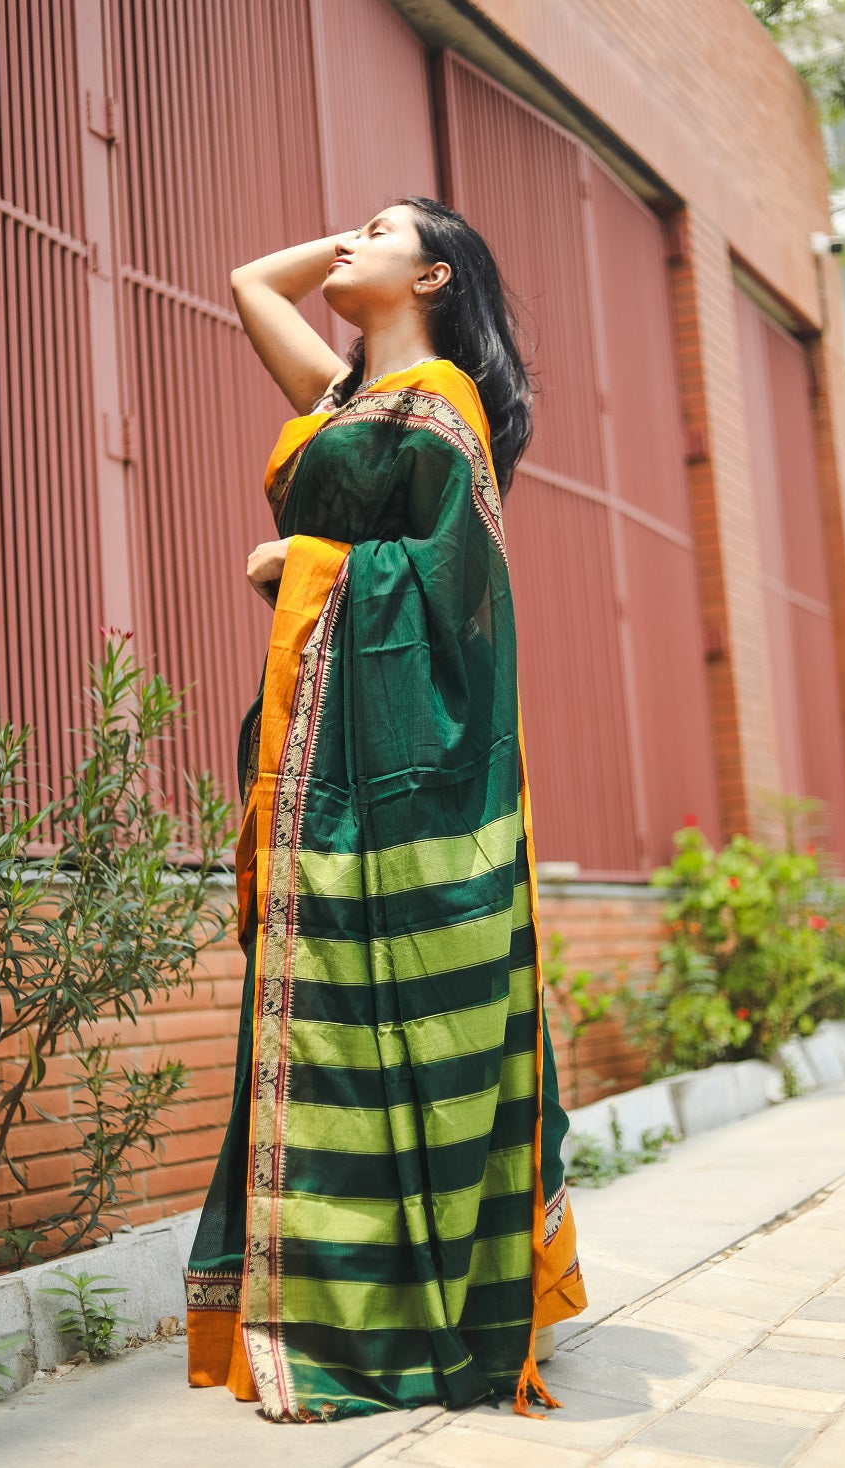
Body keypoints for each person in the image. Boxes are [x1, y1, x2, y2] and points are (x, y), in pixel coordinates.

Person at [184, 196, 587, 1423]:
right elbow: (250, 276)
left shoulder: (442, 407)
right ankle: (330, 1313)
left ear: (436, 278)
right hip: (319, 755)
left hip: (405, 769)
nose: (348, 243)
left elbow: (453, 582)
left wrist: (297, 566)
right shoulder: (340, 402)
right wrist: (367, 241)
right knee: (319, 1025)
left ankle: (412, 1328)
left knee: (401, 1019)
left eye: (379, 231)